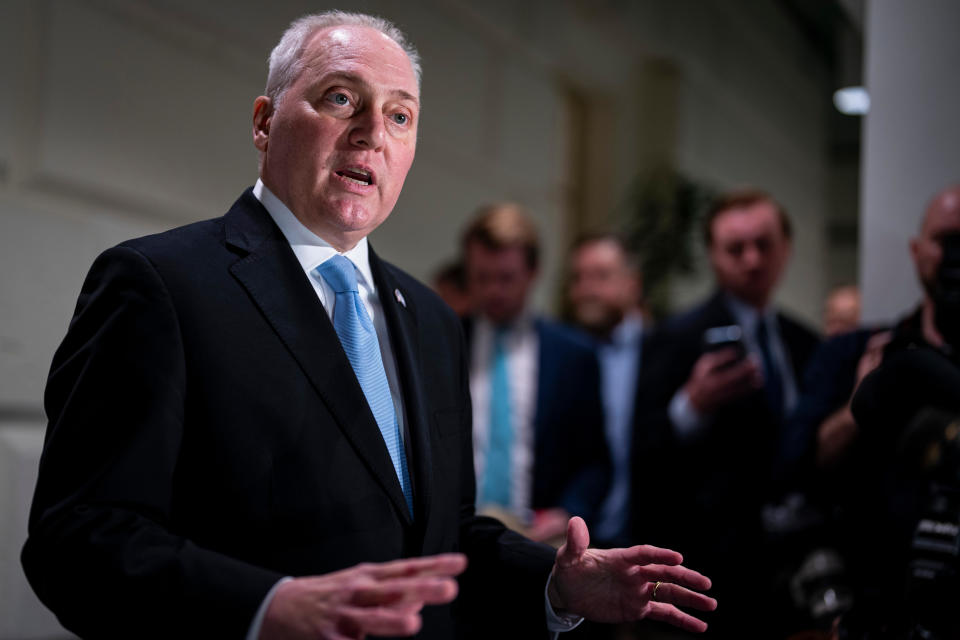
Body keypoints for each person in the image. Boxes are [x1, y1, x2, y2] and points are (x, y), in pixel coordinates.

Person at [21, 11, 716, 640]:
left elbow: (445, 539)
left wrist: (552, 580)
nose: (372, 133)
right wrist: (267, 608)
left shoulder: (434, 319)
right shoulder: (160, 285)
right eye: (341, 98)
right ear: (265, 121)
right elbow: (80, 539)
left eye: (400, 115)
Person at [630, 189, 819, 635]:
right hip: (713, 565)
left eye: (764, 245)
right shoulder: (674, 337)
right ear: (713, 256)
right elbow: (642, 449)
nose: (752, 260)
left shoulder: (805, 342)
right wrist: (691, 406)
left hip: (792, 563)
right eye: (736, 248)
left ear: (786, 249)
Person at [461, 205, 610, 545]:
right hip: (460, 533)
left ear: (533, 273)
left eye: (506, 278)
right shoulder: (445, 340)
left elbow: (596, 461)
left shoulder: (574, 355)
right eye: (482, 278)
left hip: (539, 537)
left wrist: (569, 511)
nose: (494, 291)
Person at [566, 233, 645, 547]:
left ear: (632, 283)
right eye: (579, 278)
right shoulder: (563, 353)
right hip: (577, 540)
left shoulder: (661, 351)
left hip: (644, 535)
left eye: (601, 276)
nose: (587, 290)